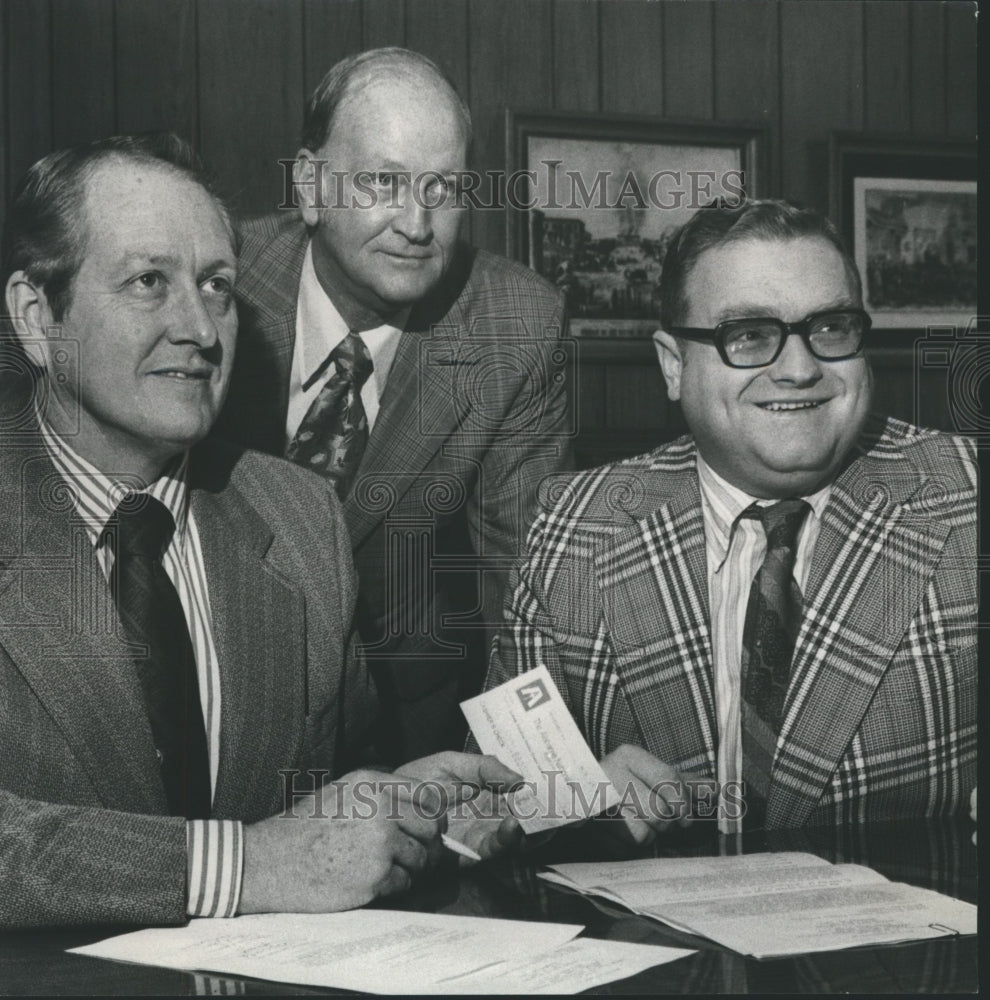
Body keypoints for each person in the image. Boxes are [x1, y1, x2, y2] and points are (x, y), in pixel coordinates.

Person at [0, 134, 520, 929]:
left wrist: (399, 813)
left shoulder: (300, 518)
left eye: (216, 287)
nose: (201, 331)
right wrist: (243, 866)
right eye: (148, 282)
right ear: (37, 318)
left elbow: (323, 800)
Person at [481, 199, 976, 838]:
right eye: (748, 336)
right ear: (672, 365)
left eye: (829, 329)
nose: (800, 369)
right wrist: (569, 800)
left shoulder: (965, 497)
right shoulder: (575, 526)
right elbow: (483, 803)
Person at [215, 48, 572, 763]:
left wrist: (529, 797)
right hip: (213, 689)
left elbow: (524, 594)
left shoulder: (516, 324)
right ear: (311, 187)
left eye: (443, 189)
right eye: (385, 181)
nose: (417, 222)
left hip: (404, 727)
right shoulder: (221, 285)